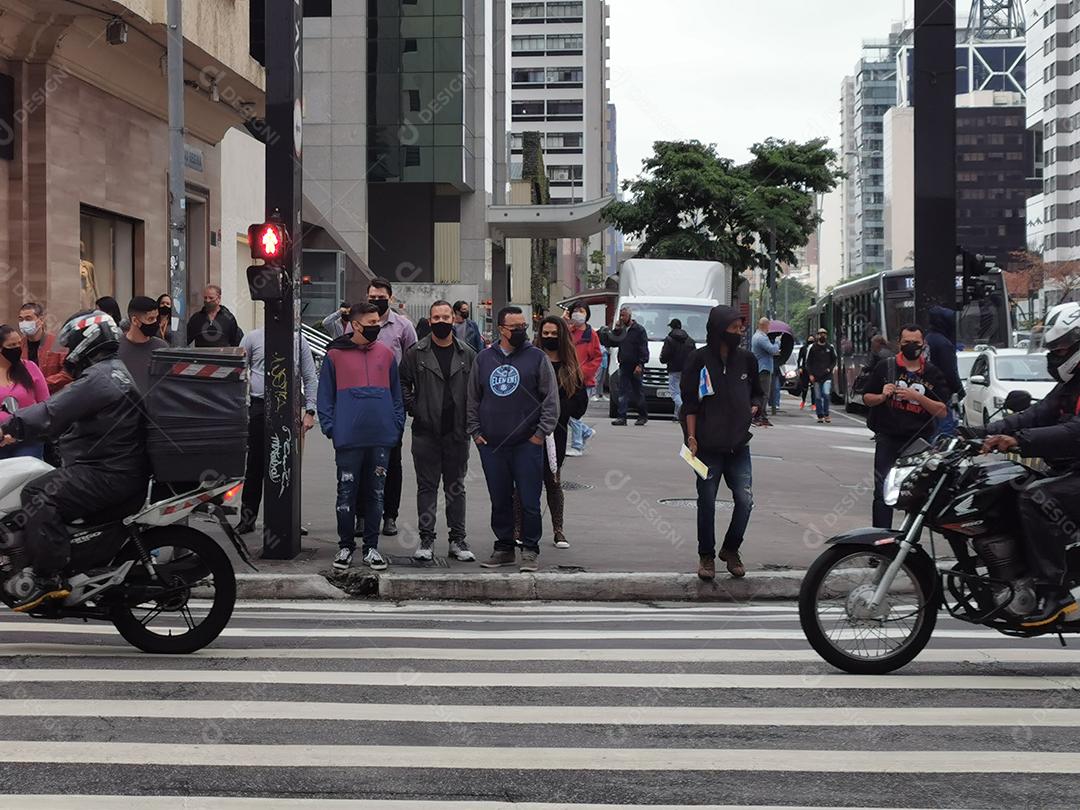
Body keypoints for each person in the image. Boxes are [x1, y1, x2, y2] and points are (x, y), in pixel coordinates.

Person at [0, 311, 147, 612]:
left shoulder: (99, 377)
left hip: (107, 472)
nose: (68, 353)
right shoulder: (111, 370)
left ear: (88, 341)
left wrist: (10, 425)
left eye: (71, 345)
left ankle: (48, 578)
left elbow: (53, 411)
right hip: (114, 468)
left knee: (36, 493)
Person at [967, 302, 1080, 625]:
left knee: (1036, 497)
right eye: (1053, 347)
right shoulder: (1070, 385)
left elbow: (1074, 431)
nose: (1055, 354)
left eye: (1061, 347)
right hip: (1069, 469)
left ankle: (1054, 592)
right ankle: (1020, 573)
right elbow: (1036, 414)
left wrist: (1019, 441)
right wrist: (981, 431)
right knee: (1009, 488)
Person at [468, 306, 559, 572]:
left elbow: (550, 400)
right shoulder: (484, 359)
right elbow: (473, 397)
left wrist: (539, 435)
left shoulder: (537, 358)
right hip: (492, 444)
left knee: (530, 500)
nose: (521, 331)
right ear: (501, 329)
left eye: (523, 327)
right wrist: (476, 432)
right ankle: (504, 547)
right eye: (515, 327)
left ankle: (530, 549)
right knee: (499, 499)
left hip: (527, 444)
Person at [316, 302, 404, 572]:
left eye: (378, 322)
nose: (376, 326)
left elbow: (396, 395)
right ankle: (345, 547)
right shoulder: (335, 355)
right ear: (355, 325)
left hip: (380, 439)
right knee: (346, 493)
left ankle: (371, 548)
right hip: (348, 438)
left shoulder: (386, 354)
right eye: (371, 322)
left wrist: (395, 425)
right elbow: (325, 396)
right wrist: (331, 427)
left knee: (376, 495)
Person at [681, 307, 763, 581]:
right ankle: (706, 555)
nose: (739, 333)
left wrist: (754, 407)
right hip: (705, 447)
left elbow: (757, 394)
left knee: (745, 500)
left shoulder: (747, 360)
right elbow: (690, 404)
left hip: (739, 446)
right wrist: (691, 438)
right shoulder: (698, 359)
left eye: (741, 328)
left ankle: (731, 549)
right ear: (718, 329)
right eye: (734, 328)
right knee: (706, 500)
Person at [400, 300, 478, 563]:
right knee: (427, 487)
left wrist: (470, 421)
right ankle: (426, 540)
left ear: (454, 320)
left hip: (457, 432)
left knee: (456, 488)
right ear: (430, 320)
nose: (442, 321)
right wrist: (415, 408)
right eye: (437, 317)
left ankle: (458, 539)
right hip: (426, 432)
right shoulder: (416, 352)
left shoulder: (467, 353)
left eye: (446, 317)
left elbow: (475, 391)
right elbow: (402, 383)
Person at [862, 324, 949, 530]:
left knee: (917, 493)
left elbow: (942, 410)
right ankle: (881, 541)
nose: (911, 346)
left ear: (923, 344)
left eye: (916, 343)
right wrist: (883, 395)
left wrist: (917, 397)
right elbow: (867, 398)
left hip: (919, 442)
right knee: (883, 490)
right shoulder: (886, 367)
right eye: (907, 342)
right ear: (899, 343)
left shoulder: (932, 373)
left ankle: (908, 546)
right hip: (888, 438)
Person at [236, 326, 320, 535]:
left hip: (287, 407)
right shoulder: (253, 337)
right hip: (258, 406)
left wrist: (310, 410)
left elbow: (310, 377)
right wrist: (238, 406)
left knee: (287, 465)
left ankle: (289, 519)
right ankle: (247, 519)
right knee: (255, 465)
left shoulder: (299, 340)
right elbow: (238, 371)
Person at [515, 316, 588, 549]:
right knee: (524, 481)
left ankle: (558, 530)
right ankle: (519, 528)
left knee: (553, 480)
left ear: (562, 336)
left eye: (553, 333)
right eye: (545, 333)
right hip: (529, 431)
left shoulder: (570, 367)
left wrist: (556, 410)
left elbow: (579, 405)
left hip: (556, 432)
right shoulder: (530, 361)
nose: (549, 337)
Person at [360, 277, 418, 538]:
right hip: (360, 400)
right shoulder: (357, 323)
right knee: (361, 459)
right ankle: (361, 516)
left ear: (390, 298)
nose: (376, 300)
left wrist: (409, 400)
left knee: (392, 461)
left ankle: (390, 516)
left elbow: (413, 362)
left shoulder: (403, 326)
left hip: (391, 400)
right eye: (371, 296)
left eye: (380, 297)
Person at [0, 324, 49, 460]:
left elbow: (45, 404)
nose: (17, 348)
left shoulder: (30, 368)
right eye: (11, 345)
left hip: (28, 440)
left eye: (18, 344)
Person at [604, 305, 649, 426]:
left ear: (630, 315)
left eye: (624, 315)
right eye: (621, 315)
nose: (622, 318)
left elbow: (643, 348)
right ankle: (622, 417)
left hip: (635, 364)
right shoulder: (623, 330)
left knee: (637, 391)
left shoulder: (639, 330)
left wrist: (641, 363)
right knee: (623, 391)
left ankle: (642, 415)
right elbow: (612, 342)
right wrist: (616, 330)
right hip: (624, 364)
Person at [567, 304, 601, 455]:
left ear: (587, 314)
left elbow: (597, 357)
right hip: (568, 379)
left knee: (574, 413)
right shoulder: (569, 332)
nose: (577, 314)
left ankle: (577, 445)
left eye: (581, 311)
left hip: (583, 381)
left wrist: (583, 373)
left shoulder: (591, 334)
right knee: (566, 412)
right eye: (575, 311)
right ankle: (585, 432)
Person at [117, 296, 169, 394]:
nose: (155, 322)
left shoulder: (162, 348)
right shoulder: (116, 348)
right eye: (150, 319)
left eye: (156, 318)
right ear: (135, 321)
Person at [926, 306, 964, 436]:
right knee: (945, 430)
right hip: (942, 393)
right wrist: (959, 390)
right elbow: (950, 371)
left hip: (927, 391)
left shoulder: (927, 339)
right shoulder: (943, 344)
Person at [18, 302, 70, 393]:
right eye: (21, 319)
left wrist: (42, 384)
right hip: (26, 396)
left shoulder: (57, 343)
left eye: (28, 319)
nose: (24, 323)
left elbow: (67, 372)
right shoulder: (18, 345)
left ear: (41, 320)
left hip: (52, 396)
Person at [660, 317, 696, 419]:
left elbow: (665, 354)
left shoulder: (669, 339)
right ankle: (677, 416)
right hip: (687, 370)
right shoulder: (690, 340)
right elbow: (694, 355)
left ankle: (682, 409)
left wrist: (662, 359)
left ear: (672, 327)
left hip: (673, 369)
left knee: (674, 392)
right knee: (681, 391)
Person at [750, 317, 779, 425]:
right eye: (768, 326)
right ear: (766, 325)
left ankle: (760, 414)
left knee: (761, 392)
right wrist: (777, 341)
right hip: (764, 368)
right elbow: (773, 350)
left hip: (760, 367)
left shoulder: (755, 336)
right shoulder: (762, 338)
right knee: (764, 393)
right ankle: (760, 415)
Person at [806, 327, 838, 424]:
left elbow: (834, 360)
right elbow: (808, 362)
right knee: (818, 397)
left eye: (824, 333)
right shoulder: (812, 348)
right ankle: (820, 415)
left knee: (826, 394)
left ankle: (827, 414)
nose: (822, 335)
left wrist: (830, 368)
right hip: (815, 377)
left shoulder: (830, 348)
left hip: (827, 376)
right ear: (817, 335)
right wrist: (810, 374)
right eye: (820, 334)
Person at [796, 333, 814, 410]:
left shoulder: (815, 348)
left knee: (813, 387)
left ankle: (814, 404)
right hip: (805, 369)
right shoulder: (803, 348)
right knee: (804, 387)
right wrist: (800, 367)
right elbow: (800, 359)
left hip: (813, 370)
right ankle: (803, 401)